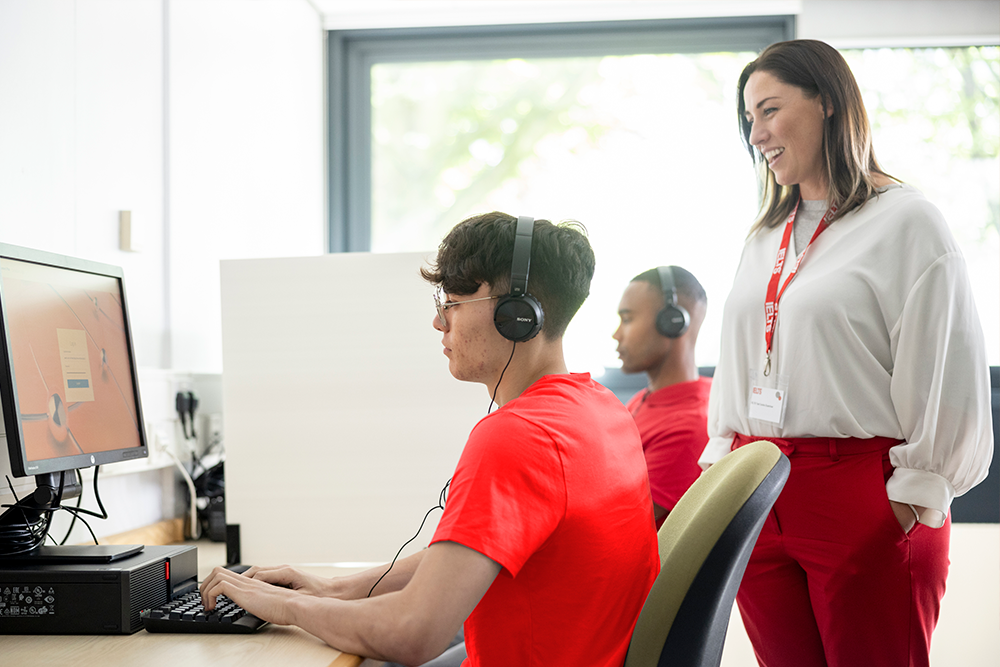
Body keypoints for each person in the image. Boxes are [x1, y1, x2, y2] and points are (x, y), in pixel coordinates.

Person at [200, 212, 660, 666]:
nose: (439, 323)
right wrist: (330, 588)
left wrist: (286, 607)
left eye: (452, 304)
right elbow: (467, 558)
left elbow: (412, 631)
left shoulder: (519, 436)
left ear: (517, 315)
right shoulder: (602, 411)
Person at [701, 39, 993, 667]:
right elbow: (737, 364)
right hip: (757, 491)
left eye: (770, 110)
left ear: (828, 102)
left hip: (861, 491)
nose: (757, 134)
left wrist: (907, 501)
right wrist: (723, 473)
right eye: (749, 118)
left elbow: (947, 374)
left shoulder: (907, 221)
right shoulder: (764, 235)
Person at [613, 266, 711, 528]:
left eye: (628, 319)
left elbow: (617, 523)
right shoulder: (646, 398)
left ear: (672, 321)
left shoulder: (688, 427)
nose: (616, 334)